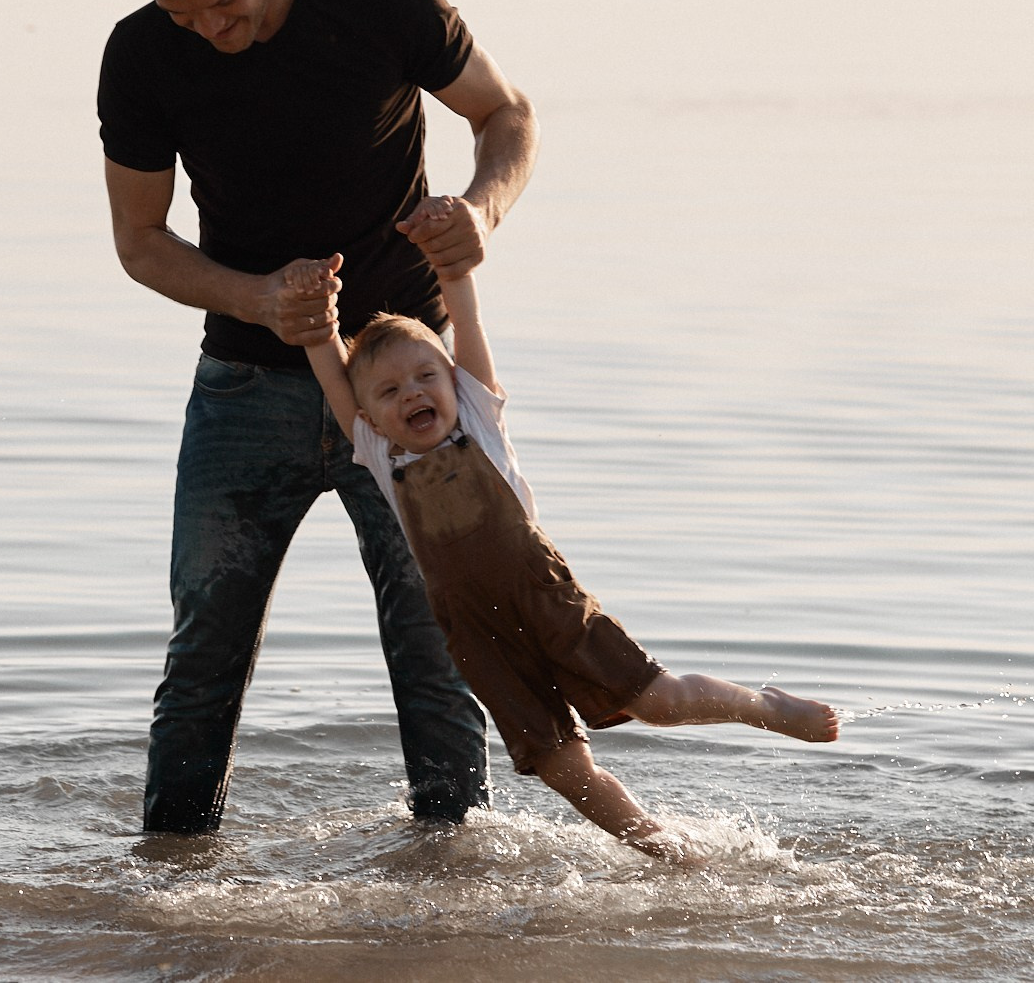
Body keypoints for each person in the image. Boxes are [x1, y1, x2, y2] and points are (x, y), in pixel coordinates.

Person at [98, 0, 539, 834]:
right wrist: (258, 299)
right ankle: (169, 879)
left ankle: (452, 877)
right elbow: (139, 241)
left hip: (406, 386)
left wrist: (482, 210)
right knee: (203, 651)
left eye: (228, 1)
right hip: (246, 388)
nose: (214, 30)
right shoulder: (140, 57)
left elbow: (505, 113)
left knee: (440, 641)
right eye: (185, 15)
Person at [300, 245, 839, 859]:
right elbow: (333, 374)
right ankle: (663, 846)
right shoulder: (379, 453)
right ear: (369, 416)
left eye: (426, 376)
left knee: (657, 702)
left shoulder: (477, 418)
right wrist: (319, 324)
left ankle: (762, 706)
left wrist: (454, 273)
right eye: (390, 390)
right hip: (476, 634)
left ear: (454, 380)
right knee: (558, 764)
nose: (412, 394)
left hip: (545, 599)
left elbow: (467, 322)